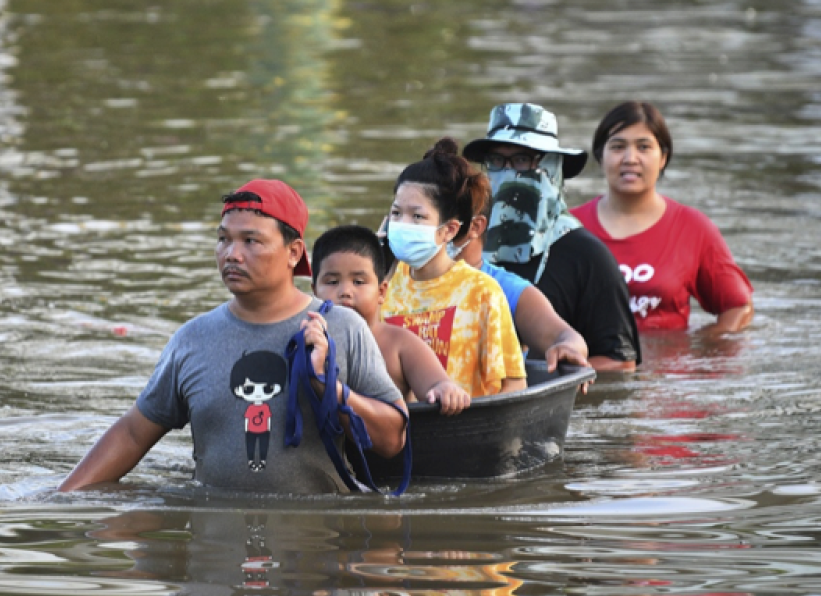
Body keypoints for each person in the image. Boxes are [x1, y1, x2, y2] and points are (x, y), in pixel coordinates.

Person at [58, 179, 408, 494]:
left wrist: (325, 386)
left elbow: (393, 440)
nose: (232, 254)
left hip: (316, 550)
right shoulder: (192, 339)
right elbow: (134, 433)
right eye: (223, 239)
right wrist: (61, 499)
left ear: (294, 252)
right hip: (217, 545)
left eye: (251, 241)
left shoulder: (341, 327)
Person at [462, 103, 641, 372]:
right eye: (497, 161)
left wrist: (544, 374)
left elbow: (621, 362)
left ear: (552, 167)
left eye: (523, 159)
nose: (509, 172)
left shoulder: (587, 256)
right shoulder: (464, 244)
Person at [570, 101, 754, 333]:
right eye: (618, 147)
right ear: (600, 156)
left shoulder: (693, 228)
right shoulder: (568, 228)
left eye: (644, 147)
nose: (630, 158)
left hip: (667, 368)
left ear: (663, 158)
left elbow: (738, 307)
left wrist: (702, 350)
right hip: (590, 368)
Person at [380, 137, 527, 398]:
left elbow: (513, 386)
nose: (403, 224)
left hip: (465, 429)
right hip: (398, 429)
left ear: (449, 229)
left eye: (417, 216)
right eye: (396, 213)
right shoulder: (383, 286)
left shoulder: (482, 292)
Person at [311, 224, 471, 415]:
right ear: (313, 292)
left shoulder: (400, 343)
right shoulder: (307, 339)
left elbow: (436, 383)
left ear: (381, 292)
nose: (345, 292)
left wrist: (445, 389)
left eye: (358, 282)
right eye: (332, 282)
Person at [445, 194, 590, 376]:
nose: (407, 225)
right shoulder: (400, 284)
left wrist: (568, 349)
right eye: (397, 213)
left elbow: (567, 337)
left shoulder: (503, 288)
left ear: (475, 226)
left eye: (418, 216)